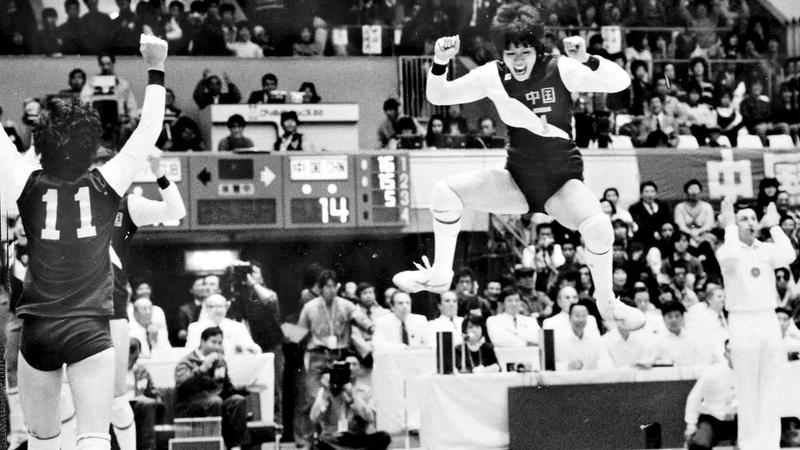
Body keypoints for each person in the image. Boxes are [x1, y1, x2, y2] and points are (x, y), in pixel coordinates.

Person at [392, 3, 644, 331]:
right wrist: (440, 61)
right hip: (517, 180)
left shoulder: (559, 68)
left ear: (538, 49)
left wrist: (586, 58)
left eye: (525, 52)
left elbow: (620, 81)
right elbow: (440, 96)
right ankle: (440, 274)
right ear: (502, 53)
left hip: (561, 184)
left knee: (600, 228)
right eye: (511, 54)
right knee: (444, 192)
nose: (519, 60)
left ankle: (608, 302)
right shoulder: (492, 75)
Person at [0, 34, 167, 450]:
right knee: (93, 438)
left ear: (39, 143)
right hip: (90, 328)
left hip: (38, 328)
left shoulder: (26, 182)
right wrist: (156, 66)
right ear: (92, 144)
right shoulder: (107, 183)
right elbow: (149, 128)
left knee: (43, 443)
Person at [91, 148, 185, 449]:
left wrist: (159, 173)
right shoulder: (69, 203)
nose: (102, 177)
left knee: (117, 398)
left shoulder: (128, 204)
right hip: (76, 301)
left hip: (113, 299)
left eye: (109, 170)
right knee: (77, 396)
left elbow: (176, 211)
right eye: (95, 171)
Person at [716, 198, 795, 449]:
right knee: (747, 385)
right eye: (743, 219)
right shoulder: (726, 250)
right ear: (734, 224)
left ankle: (769, 443)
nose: (750, 223)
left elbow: (789, 255)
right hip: (742, 320)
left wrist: (774, 226)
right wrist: (729, 225)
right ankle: (750, 444)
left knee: (770, 383)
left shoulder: (766, 249)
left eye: (753, 218)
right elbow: (730, 257)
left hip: (768, 317)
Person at [175, 327, 249, 450]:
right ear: (203, 341)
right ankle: (213, 446)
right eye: (213, 342)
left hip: (215, 403)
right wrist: (202, 369)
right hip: (190, 405)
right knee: (215, 401)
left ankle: (236, 446)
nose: (217, 346)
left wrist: (244, 389)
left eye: (219, 343)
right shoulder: (187, 362)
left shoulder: (219, 361)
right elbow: (183, 387)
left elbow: (226, 389)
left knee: (237, 400)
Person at [309, 354, 391, 450]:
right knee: (318, 445)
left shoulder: (366, 391)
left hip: (356, 437)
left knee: (384, 437)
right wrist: (326, 392)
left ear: (360, 368)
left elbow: (370, 418)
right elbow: (313, 417)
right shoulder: (328, 389)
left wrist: (352, 394)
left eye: (354, 364)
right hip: (334, 437)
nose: (350, 368)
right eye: (347, 365)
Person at [684, 340, 737, 450]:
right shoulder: (712, 373)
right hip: (713, 418)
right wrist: (691, 425)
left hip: (739, 419)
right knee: (699, 445)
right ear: (725, 354)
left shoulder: (751, 374)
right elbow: (694, 398)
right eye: (731, 351)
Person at [185, 294, 261, 355]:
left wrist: (250, 349)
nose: (218, 310)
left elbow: (254, 349)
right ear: (206, 308)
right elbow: (189, 352)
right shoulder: (195, 327)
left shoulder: (238, 327)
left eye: (221, 306)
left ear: (226, 308)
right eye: (213, 307)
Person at [125, 338, 161, 450]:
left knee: (147, 405)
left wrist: (147, 398)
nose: (131, 360)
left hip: (138, 408)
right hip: (117, 407)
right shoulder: (112, 370)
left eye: (134, 358)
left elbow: (155, 396)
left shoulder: (142, 371)